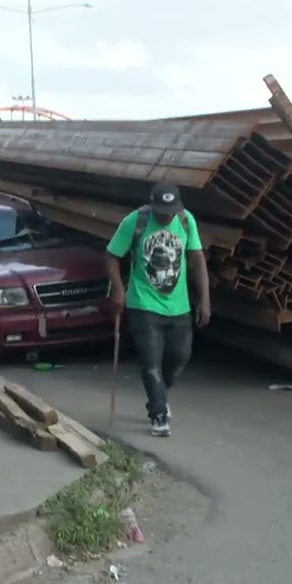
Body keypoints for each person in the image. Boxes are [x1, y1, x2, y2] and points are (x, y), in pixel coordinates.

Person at [105, 181, 211, 437]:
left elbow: (197, 260)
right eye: (162, 211)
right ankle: (158, 413)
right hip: (143, 303)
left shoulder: (186, 221)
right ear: (152, 206)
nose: (166, 216)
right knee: (150, 361)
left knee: (178, 360)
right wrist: (119, 289)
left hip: (179, 307)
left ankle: (160, 393)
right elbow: (111, 255)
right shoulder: (135, 221)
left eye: (171, 211)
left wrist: (205, 300)